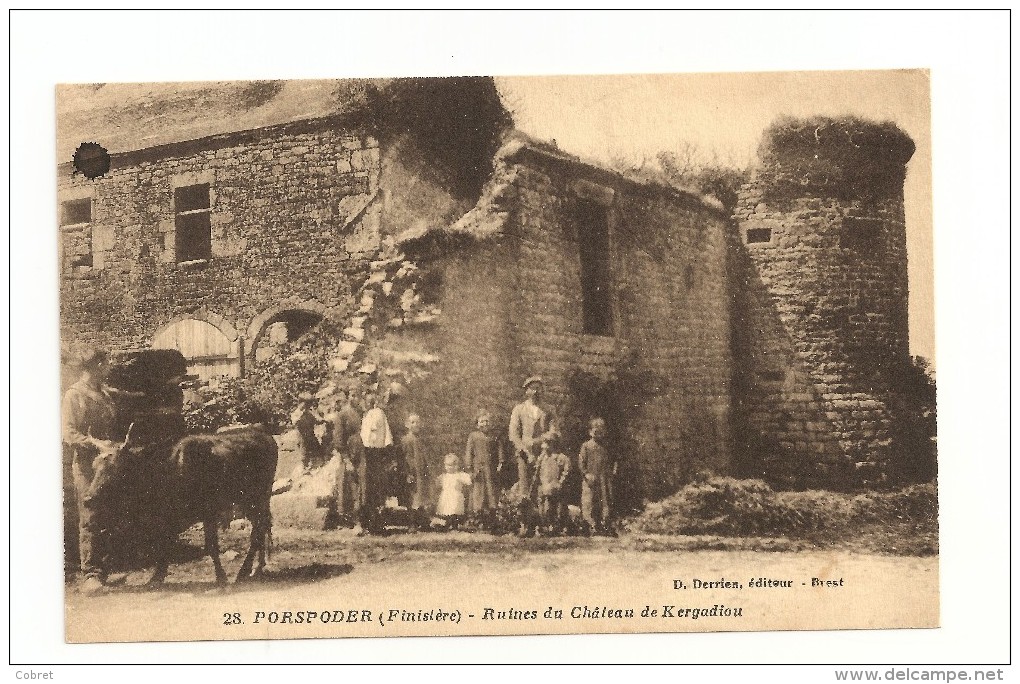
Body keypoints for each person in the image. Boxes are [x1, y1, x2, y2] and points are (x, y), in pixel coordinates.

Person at [62, 347, 121, 594]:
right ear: (97, 366)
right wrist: (97, 443)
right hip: (86, 465)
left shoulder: (105, 393)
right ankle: (90, 576)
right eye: (106, 364)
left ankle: (104, 572)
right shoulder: (73, 395)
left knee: (107, 514)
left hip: (107, 463)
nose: (109, 368)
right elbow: (69, 433)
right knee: (90, 516)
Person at [508, 376, 554, 506]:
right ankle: (525, 520)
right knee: (525, 486)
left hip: (544, 452)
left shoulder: (548, 410)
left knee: (543, 485)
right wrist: (524, 450)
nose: (536, 392)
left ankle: (542, 518)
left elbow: (554, 431)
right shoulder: (519, 409)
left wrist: (539, 441)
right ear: (526, 391)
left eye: (538, 389)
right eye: (532, 389)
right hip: (524, 454)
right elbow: (513, 433)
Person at [325, 389, 362, 523]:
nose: (356, 398)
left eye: (358, 395)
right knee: (349, 485)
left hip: (361, 454)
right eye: (353, 395)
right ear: (348, 397)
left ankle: (361, 515)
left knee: (360, 485)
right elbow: (339, 439)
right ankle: (350, 518)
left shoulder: (361, 413)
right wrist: (347, 460)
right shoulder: (342, 415)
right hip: (349, 454)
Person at [358, 391, 393, 534]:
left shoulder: (378, 414)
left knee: (376, 490)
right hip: (365, 454)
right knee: (366, 490)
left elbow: (382, 436)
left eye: (372, 401)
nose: (370, 404)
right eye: (368, 401)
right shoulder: (365, 415)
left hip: (375, 453)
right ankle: (365, 523)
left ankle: (377, 523)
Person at [465, 409, 503, 530]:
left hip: (490, 469)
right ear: (477, 424)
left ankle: (491, 520)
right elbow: (469, 453)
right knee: (478, 493)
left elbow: (499, 449)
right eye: (482, 422)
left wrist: (501, 462)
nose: (484, 424)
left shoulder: (494, 436)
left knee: (491, 493)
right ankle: (477, 519)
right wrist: (469, 468)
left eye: (486, 421)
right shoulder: (473, 436)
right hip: (478, 469)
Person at [578, 417, 616, 535]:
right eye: (595, 431)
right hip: (590, 478)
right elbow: (581, 462)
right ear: (590, 432)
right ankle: (591, 525)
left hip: (604, 479)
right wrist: (586, 474)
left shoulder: (606, 447)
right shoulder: (586, 446)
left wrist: (613, 472)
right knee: (589, 501)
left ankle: (605, 525)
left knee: (605, 501)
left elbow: (613, 461)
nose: (598, 434)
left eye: (601, 431)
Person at [534, 433, 571, 536]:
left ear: (553, 445)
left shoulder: (561, 458)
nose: (543, 447)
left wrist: (559, 483)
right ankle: (545, 525)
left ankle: (557, 526)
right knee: (543, 508)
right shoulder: (542, 458)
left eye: (546, 444)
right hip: (544, 486)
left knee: (556, 507)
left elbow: (566, 472)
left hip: (556, 487)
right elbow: (538, 473)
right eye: (543, 444)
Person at [401, 413, 429, 530]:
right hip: (412, 473)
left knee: (420, 497)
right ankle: (411, 523)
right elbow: (404, 458)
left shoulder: (418, 439)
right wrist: (408, 473)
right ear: (407, 425)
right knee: (412, 498)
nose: (416, 424)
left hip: (420, 473)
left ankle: (422, 521)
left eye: (418, 422)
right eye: (413, 422)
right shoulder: (407, 440)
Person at [434, 454, 472, 531]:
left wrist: (469, 476)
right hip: (446, 496)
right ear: (445, 466)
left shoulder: (459, 475)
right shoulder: (444, 476)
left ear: (457, 466)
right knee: (446, 510)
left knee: (454, 511)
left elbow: (468, 481)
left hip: (455, 496)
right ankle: (446, 525)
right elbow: (437, 484)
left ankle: (455, 525)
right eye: (448, 465)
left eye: (452, 465)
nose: (450, 468)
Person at [290, 392, 324, 471]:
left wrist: (323, 420)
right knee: (304, 454)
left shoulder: (309, 413)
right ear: (301, 403)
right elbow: (295, 422)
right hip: (302, 437)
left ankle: (314, 467)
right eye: (307, 405)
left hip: (311, 436)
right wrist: (302, 414)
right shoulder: (296, 413)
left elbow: (316, 420)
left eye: (309, 405)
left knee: (317, 451)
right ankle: (304, 469)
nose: (309, 407)